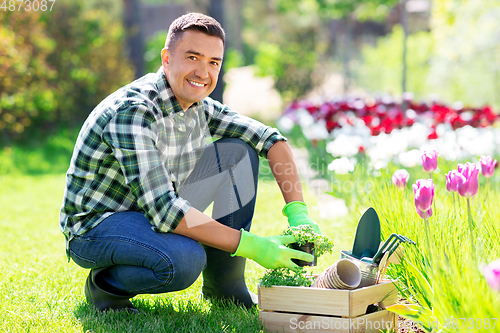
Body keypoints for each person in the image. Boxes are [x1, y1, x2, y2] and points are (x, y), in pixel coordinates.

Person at [59, 12, 322, 312]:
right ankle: (105, 286)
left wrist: (298, 212)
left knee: (238, 152)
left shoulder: (198, 105)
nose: (203, 72)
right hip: (98, 226)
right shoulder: (134, 111)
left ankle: (225, 287)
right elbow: (165, 212)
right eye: (193, 57)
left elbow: (271, 139)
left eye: (213, 62)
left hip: (149, 211)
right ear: (167, 58)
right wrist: (253, 245)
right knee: (185, 259)